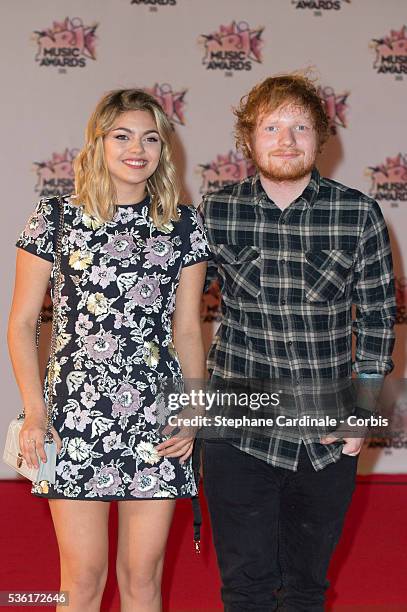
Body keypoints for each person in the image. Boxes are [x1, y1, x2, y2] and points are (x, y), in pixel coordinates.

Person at [8, 89, 210, 612]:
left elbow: (188, 330)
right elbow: (23, 322)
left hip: (157, 419)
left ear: (164, 147)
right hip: (72, 418)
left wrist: (193, 408)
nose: (136, 149)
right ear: (97, 143)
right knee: (82, 578)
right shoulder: (54, 218)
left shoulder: (184, 226)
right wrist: (35, 412)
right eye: (121, 136)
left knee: (144, 578)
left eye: (149, 137)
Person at [200, 73, 396, 611]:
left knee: (307, 589)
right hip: (237, 426)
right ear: (249, 138)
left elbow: (379, 318)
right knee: (245, 589)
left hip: (327, 431)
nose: (286, 140)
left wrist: (365, 410)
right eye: (271, 126)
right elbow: (172, 313)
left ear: (321, 138)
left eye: (300, 127)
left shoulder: (358, 214)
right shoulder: (215, 214)